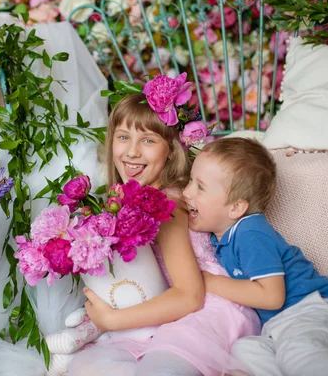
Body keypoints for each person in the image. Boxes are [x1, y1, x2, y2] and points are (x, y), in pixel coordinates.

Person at [65, 92, 261, 376]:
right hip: (166, 314)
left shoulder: (166, 203)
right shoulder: (120, 201)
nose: (132, 152)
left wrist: (113, 320)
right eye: (123, 137)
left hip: (210, 310)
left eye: (148, 140)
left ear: (170, 148)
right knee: (86, 367)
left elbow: (190, 296)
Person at [183, 137, 328, 376]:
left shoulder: (250, 232)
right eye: (189, 181)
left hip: (315, 310)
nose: (186, 192)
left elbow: (272, 296)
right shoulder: (223, 237)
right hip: (280, 326)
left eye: (200, 187)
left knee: (297, 350)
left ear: (236, 208)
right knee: (245, 350)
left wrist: (210, 281)